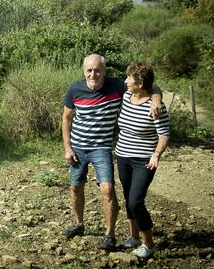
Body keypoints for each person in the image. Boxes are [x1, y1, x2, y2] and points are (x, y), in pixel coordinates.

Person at [61, 54, 162, 250]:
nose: (93, 74)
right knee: (76, 187)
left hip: (102, 147)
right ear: (84, 71)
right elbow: (66, 118)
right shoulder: (75, 88)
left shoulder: (117, 86)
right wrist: (67, 147)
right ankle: (79, 224)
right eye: (89, 70)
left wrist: (156, 99)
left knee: (107, 188)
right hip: (77, 147)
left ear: (105, 72)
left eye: (97, 70)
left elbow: (149, 85)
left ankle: (110, 234)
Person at [115, 62, 170, 259]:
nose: (125, 81)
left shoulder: (155, 107)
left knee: (136, 200)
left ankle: (149, 243)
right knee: (128, 197)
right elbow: (154, 87)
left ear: (140, 83)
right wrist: (156, 93)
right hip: (122, 156)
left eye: (129, 78)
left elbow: (164, 134)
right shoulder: (126, 96)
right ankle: (133, 237)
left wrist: (156, 154)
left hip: (144, 161)